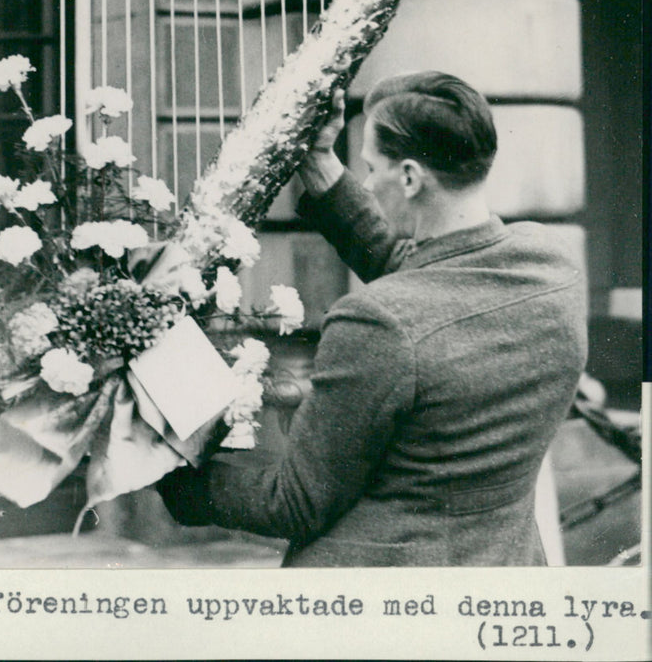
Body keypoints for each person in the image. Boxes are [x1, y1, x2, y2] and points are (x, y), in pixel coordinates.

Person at [157, 71, 588, 566]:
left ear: (408, 177)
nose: (364, 182)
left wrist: (163, 473)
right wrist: (319, 164)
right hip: (501, 580)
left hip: (379, 608)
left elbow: (294, 502)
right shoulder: (552, 267)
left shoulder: (377, 323)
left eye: (370, 168)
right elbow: (430, 279)